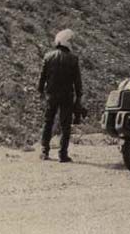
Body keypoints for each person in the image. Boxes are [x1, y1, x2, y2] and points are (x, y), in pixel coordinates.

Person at [38, 28, 83, 162]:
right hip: (67, 96)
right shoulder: (73, 59)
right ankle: (63, 154)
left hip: (51, 95)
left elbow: (42, 78)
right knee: (65, 125)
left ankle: (44, 151)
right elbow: (77, 82)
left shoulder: (48, 57)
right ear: (67, 42)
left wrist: (41, 91)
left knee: (48, 122)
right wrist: (79, 97)